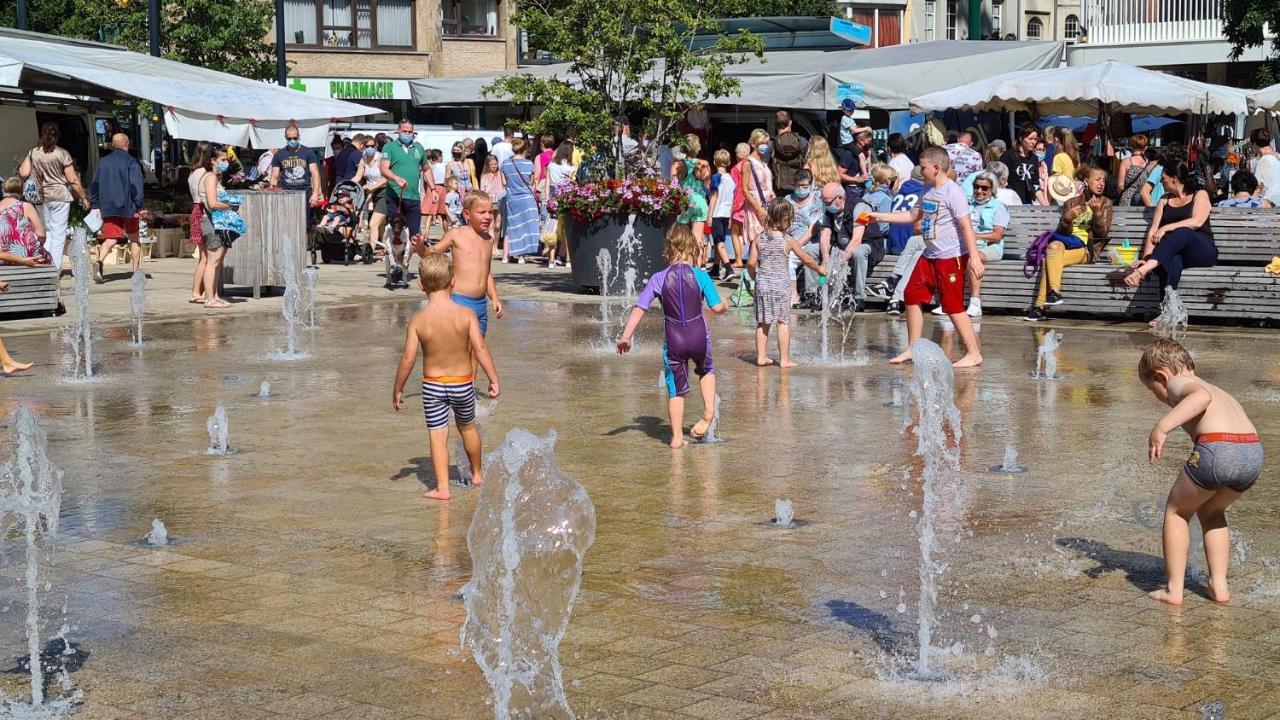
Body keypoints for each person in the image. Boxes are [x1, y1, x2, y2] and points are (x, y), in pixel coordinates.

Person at [1139, 338, 1261, 606]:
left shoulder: (1179, 383)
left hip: (1219, 449)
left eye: (1152, 389)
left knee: (1176, 510)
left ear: (1162, 376)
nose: (1157, 396)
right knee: (1211, 511)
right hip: (1252, 452)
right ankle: (1219, 585)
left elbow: (1200, 398)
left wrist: (1162, 427)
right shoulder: (1215, 387)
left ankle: (1174, 590)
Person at [392, 252, 500, 501]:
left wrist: (398, 388)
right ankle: (476, 474)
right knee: (468, 428)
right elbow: (481, 349)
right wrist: (493, 378)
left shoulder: (419, 320)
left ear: (421, 285)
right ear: (453, 282)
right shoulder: (466, 315)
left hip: (433, 387)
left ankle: (442, 488)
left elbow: (408, 358)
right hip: (463, 384)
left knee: (438, 435)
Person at [868, 146, 984, 368]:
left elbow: (967, 227)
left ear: (936, 167)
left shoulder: (953, 192)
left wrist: (975, 259)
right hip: (930, 254)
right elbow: (914, 215)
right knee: (911, 295)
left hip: (951, 257)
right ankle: (913, 348)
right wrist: (880, 216)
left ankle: (973, 352)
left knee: (952, 305)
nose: (920, 172)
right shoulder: (927, 189)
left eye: (923, 168)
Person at [616, 225, 727, 448]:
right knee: (706, 370)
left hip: (674, 340)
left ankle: (676, 437)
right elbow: (716, 307)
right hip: (698, 337)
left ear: (668, 250)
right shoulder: (701, 276)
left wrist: (626, 337)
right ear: (693, 249)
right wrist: (724, 305)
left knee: (675, 389)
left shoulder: (658, 278)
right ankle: (708, 413)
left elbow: (640, 308)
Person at [1024, 166, 1113, 322]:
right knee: (1053, 247)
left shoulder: (1106, 203)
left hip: (1087, 250)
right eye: (1097, 179)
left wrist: (1097, 214)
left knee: (1049, 259)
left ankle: (1039, 307)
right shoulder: (1071, 202)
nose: (1101, 184)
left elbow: (1102, 235)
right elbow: (1061, 232)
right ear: (1086, 181)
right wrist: (1067, 218)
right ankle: (1054, 293)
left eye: (1103, 181)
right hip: (1067, 245)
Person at [1125, 161, 1217, 301]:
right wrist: (1147, 257)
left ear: (1174, 178)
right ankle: (1166, 311)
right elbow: (1153, 231)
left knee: (1183, 231)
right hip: (1176, 251)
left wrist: (1166, 227)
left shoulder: (1199, 194)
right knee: (1172, 260)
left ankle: (1142, 271)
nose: (1161, 182)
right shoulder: (1164, 200)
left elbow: (1197, 221)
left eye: (1163, 178)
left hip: (1202, 250)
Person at [749, 202, 826, 368]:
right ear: (785, 219)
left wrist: (754, 276)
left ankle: (761, 357)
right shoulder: (788, 241)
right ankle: (784, 360)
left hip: (763, 284)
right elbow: (806, 259)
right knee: (783, 322)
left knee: (763, 322)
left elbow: (751, 263)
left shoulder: (758, 238)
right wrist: (819, 269)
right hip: (781, 286)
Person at [419, 190, 503, 338]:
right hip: (460, 301)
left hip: (481, 304)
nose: (488, 217)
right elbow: (430, 254)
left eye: (490, 212)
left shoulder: (489, 240)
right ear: (466, 214)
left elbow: (487, 273)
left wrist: (494, 297)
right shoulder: (456, 234)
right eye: (481, 212)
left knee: (476, 351)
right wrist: (420, 247)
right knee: (458, 350)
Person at [19, 121, 89, 270]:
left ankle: (46, 265)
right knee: (58, 235)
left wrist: (31, 158)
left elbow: (24, 173)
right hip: (59, 197)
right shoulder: (62, 153)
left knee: (46, 232)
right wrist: (83, 197)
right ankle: (54, 268)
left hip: (40, 197)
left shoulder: (33, 152)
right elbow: (72, 179)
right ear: (57, 136)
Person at [90, 133, 146, 283]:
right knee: (134, 239)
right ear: (127, 144)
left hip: (108, 207)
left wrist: (95, 204)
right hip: (129, 207)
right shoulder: (132, 162)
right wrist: (140, 205)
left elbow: (94, 184)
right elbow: (136, 186)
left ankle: (99, 261)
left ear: (113, 145)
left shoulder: (103, 162)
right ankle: (135, 272)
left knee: (110, 238)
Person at [840, 164, 894, 313]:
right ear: (887, 181)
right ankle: (859, 297)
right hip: (875, 241)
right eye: (893, 179)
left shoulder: (865, 195)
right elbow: (883, 227)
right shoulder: (886, 199)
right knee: (859, 251)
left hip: (858, 239)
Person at [199, 146, 245, 309]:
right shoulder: (210, 177)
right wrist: (230, 205)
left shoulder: (215, 178)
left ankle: (214, 295)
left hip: (218, 222)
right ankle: (209, 298)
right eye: (223, 160)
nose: (226, 163)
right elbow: (212, 203)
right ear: (213, 161)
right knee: (213, 261)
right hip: (211, 222)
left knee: (218, 261)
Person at [963, 171, 1009, 318]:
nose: (979, 191)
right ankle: (950, 301)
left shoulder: (998, 207)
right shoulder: (968, 205)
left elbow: (997, 235)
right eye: (977, 187)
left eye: (984, 188)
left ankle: (975, 302)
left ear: (992, 190)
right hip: (968, 245)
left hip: (990, 247)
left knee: (973, 258)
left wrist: (973, 236)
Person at [379, 119, 429, 241]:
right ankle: (394, 257)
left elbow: (426, 169)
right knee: (396, 232)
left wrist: (433, 189)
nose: (407, 134)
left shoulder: (419, 148)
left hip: (414, 197)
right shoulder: (390, 147)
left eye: (410, 131)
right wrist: (396, 178)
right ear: (399, 131)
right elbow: (384, 168)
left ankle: (407, 257)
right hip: (395, 196)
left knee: (415, 235)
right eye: (404, 131)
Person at [784, 170, 824, 307]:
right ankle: (788, 294)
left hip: (807, 242)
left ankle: (800, 295)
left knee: (790, 258)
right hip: (789, 240)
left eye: (805, 186)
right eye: (798, 185)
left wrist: (796, 245)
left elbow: (813, 230)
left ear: (810, 185)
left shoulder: (816, 202)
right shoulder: (788, 200)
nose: (801, 189)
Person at [500, 139, 541, 261]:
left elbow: (504, 182)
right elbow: (532, 182)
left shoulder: (505, 164)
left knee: (511, 225)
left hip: (512, 198)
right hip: (527, 199)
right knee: (525, 226)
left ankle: (505, 256)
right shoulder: (529, 164)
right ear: (524, 150)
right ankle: (521, 256)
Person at [0, 177, 50, 269]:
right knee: (46, 258)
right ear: (22, 191)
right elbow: (41, 235)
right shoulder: (25, 207)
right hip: (27, 258)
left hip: (2, 259)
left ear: (3, 190)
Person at [543, 142, 578, 266]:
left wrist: (547, 198)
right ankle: (568, 259)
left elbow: (547, 183)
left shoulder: (551, 165)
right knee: (567, 227)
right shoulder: (571, 168)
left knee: (553, 227)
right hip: (566, 194)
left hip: (553, 194)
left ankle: (551, 260)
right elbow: (572, 183)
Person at [270, 124, 322, 208]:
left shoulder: (308, 152)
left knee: (305, 220)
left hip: (305, 194)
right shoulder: (279, 154)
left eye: (295, 138)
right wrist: (273, 193)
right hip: (285, 194)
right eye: (289, 138)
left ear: (299, 137)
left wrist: (315, 193)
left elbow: (315, 174)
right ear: (285, 137)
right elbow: (274, 177)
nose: (292, 140)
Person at [185, 142, 212, 303]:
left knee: (204, 256)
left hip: (196, 209)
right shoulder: (205, 173)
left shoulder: (193, 171)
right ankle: (197, 292)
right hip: (203, 210)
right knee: (206, 257)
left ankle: (198, 291)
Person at [741, 129, 775, 251]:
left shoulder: (764, 162)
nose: (764, 146)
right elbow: (744, 189)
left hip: (768, 204)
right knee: (757, 241)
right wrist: (758, 208)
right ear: (753, 143)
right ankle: (752, 268)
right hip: (756, 204)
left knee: (767, 240)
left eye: (766, 143)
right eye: (762, 143)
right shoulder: (748, 163)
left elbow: (768, 185)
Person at [354, 139, 388, 253]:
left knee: (373, 224)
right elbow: (357, 177)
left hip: (384, 193)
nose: (369, 148)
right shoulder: (363, 159)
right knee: (380, 226)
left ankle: (370, 251)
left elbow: (386, 178)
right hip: (371, 194)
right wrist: (347, 185)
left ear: (376, 146)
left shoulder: (381, 158)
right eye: (367, 146)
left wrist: (372, 187)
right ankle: (386, 250)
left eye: (372, 146)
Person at [708, 149, 738, 276]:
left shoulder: (716, 178)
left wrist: (709, 215)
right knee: (717, 241)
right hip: (726, 214)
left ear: (714, 162)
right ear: (729, 162)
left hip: (717, 213)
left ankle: (728, 268)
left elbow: (714, 197)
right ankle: (715, 267)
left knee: (719, 243)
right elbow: (732, 199)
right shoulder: (730, 179)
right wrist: (731, 216)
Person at [1002, 125, 1042, 206]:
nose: (1033, 142)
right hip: (1011, 202)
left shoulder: (1034, 158)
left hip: (1027, 202)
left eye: (1035, 139)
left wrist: (1046, 206)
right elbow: (1001, 179)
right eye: (1030, 139)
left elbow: (1035, 184)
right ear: (1021, 139)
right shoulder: (1009, 156)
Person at [772, 110, 808, 195]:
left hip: (780, 187)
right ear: (790, 123)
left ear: (775, 124)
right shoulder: (802, 141)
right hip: (799, 186)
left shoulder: (772, 143)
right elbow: (809, 163)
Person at [1117, 134, 1155, 206]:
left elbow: (1120, 186)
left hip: (1127, 200)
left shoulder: (1126, 162)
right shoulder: (1148, 163)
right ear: (1145, 147)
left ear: (1131, 146)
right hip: (1144, 200)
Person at [479, 154, 506, 250]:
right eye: (492, 164)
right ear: (487, 165)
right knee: (490, 225)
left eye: (495, 164)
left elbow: (504, 184)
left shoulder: (500, 173)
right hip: (489, 202)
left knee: (498, 226)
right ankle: (491, 247)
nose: (494, 166)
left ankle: (496, 245)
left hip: (499, 201)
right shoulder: (484, 176)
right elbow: (482, 190)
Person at [1250, 128, 1280, 206]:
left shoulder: (1263, 161)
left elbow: (1258, 187)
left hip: (1268, 206)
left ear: (1255, 144)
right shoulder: (1277, 158)